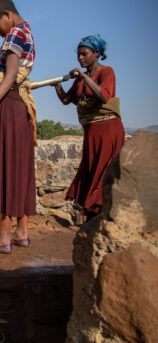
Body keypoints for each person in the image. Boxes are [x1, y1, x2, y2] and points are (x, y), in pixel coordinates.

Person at [0, 0, 37, 254]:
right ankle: (22, 233)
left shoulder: (14, 33)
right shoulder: (28, 33)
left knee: (4, 167)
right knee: (20, 168)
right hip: (20, 107)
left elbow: (10, 76)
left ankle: (3, 237)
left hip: (8, 105)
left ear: (6, 14)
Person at [53, 34, 124, 220]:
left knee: (102, 172)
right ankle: (91, 219)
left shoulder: (106, 72)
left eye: (84, 54)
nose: (80, 58)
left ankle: (99, 217)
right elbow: (67, 100)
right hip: (91, 132)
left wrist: (83, 76)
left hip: (108, 130)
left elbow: (104, 96)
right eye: (78, 55)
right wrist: (57, 85)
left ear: (96, 53)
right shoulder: (80, 79)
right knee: (91, 171)